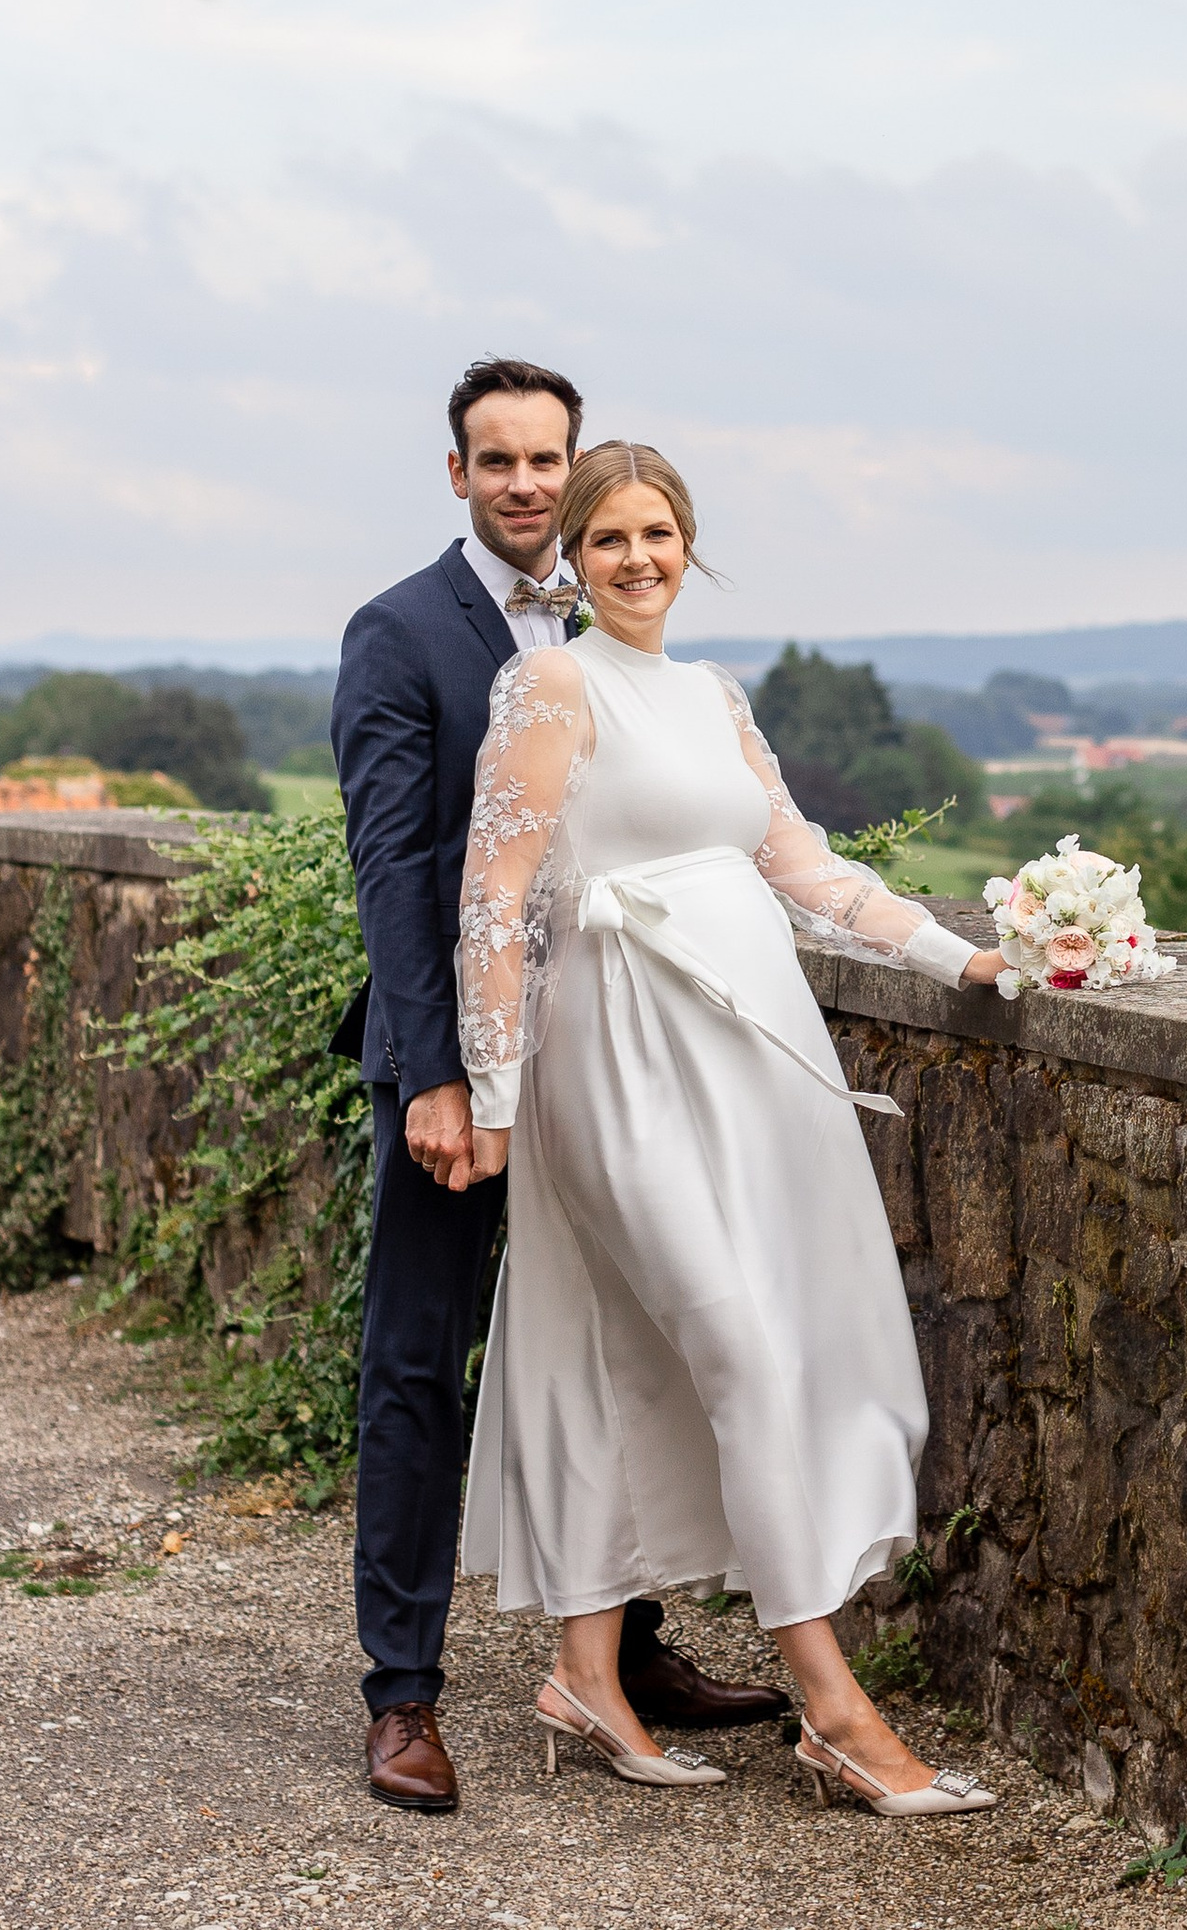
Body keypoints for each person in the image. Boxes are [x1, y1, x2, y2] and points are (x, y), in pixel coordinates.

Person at [449, 440, 1004, 1813]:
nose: (639, 559)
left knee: (613, 1342)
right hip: (615, 1055)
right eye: (611, 538)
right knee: (741, 1354)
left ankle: (587, 1672)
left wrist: (965, 959)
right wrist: (503, 1098)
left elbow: (803, 866)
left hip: (745, 1057)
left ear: (691, 544)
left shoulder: (711, 694)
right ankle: (832, 1704)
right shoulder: (551, 682)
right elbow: (491, 901)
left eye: (661, 533)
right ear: (571, 557)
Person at [332, 364, 788, 1814]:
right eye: (499, 459)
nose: (528, 482)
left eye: (549, 459)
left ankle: (629, 1645)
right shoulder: (401, 632)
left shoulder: (616, 635)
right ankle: (402, 1695)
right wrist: (436, 1077)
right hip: (462, 1080)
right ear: (454, 472)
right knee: (420, 1361)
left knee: (622, 1343)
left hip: (609, 1063)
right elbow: (399, 874)